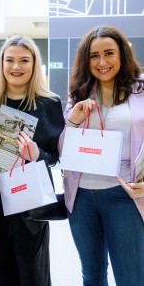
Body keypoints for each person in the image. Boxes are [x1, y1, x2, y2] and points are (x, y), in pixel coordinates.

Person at [0, 34, 65, 286]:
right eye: (9, 60)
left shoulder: (49, 103)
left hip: (30, 204)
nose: (16, 67)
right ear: (1, 63)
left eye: (24, 60)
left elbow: (55, 156)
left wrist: (37, 155)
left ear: (35, 64)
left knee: (32, 273)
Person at [60, 25, 144, 285]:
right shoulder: (80, 93)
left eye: (109, 53)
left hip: (124, 195)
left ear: (122, 55)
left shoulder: (140, 90)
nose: (102, 62)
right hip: (82, 197)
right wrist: (73, 122)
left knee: (131, 277)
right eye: (94, 56)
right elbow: (64, 150)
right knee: (92, 276)